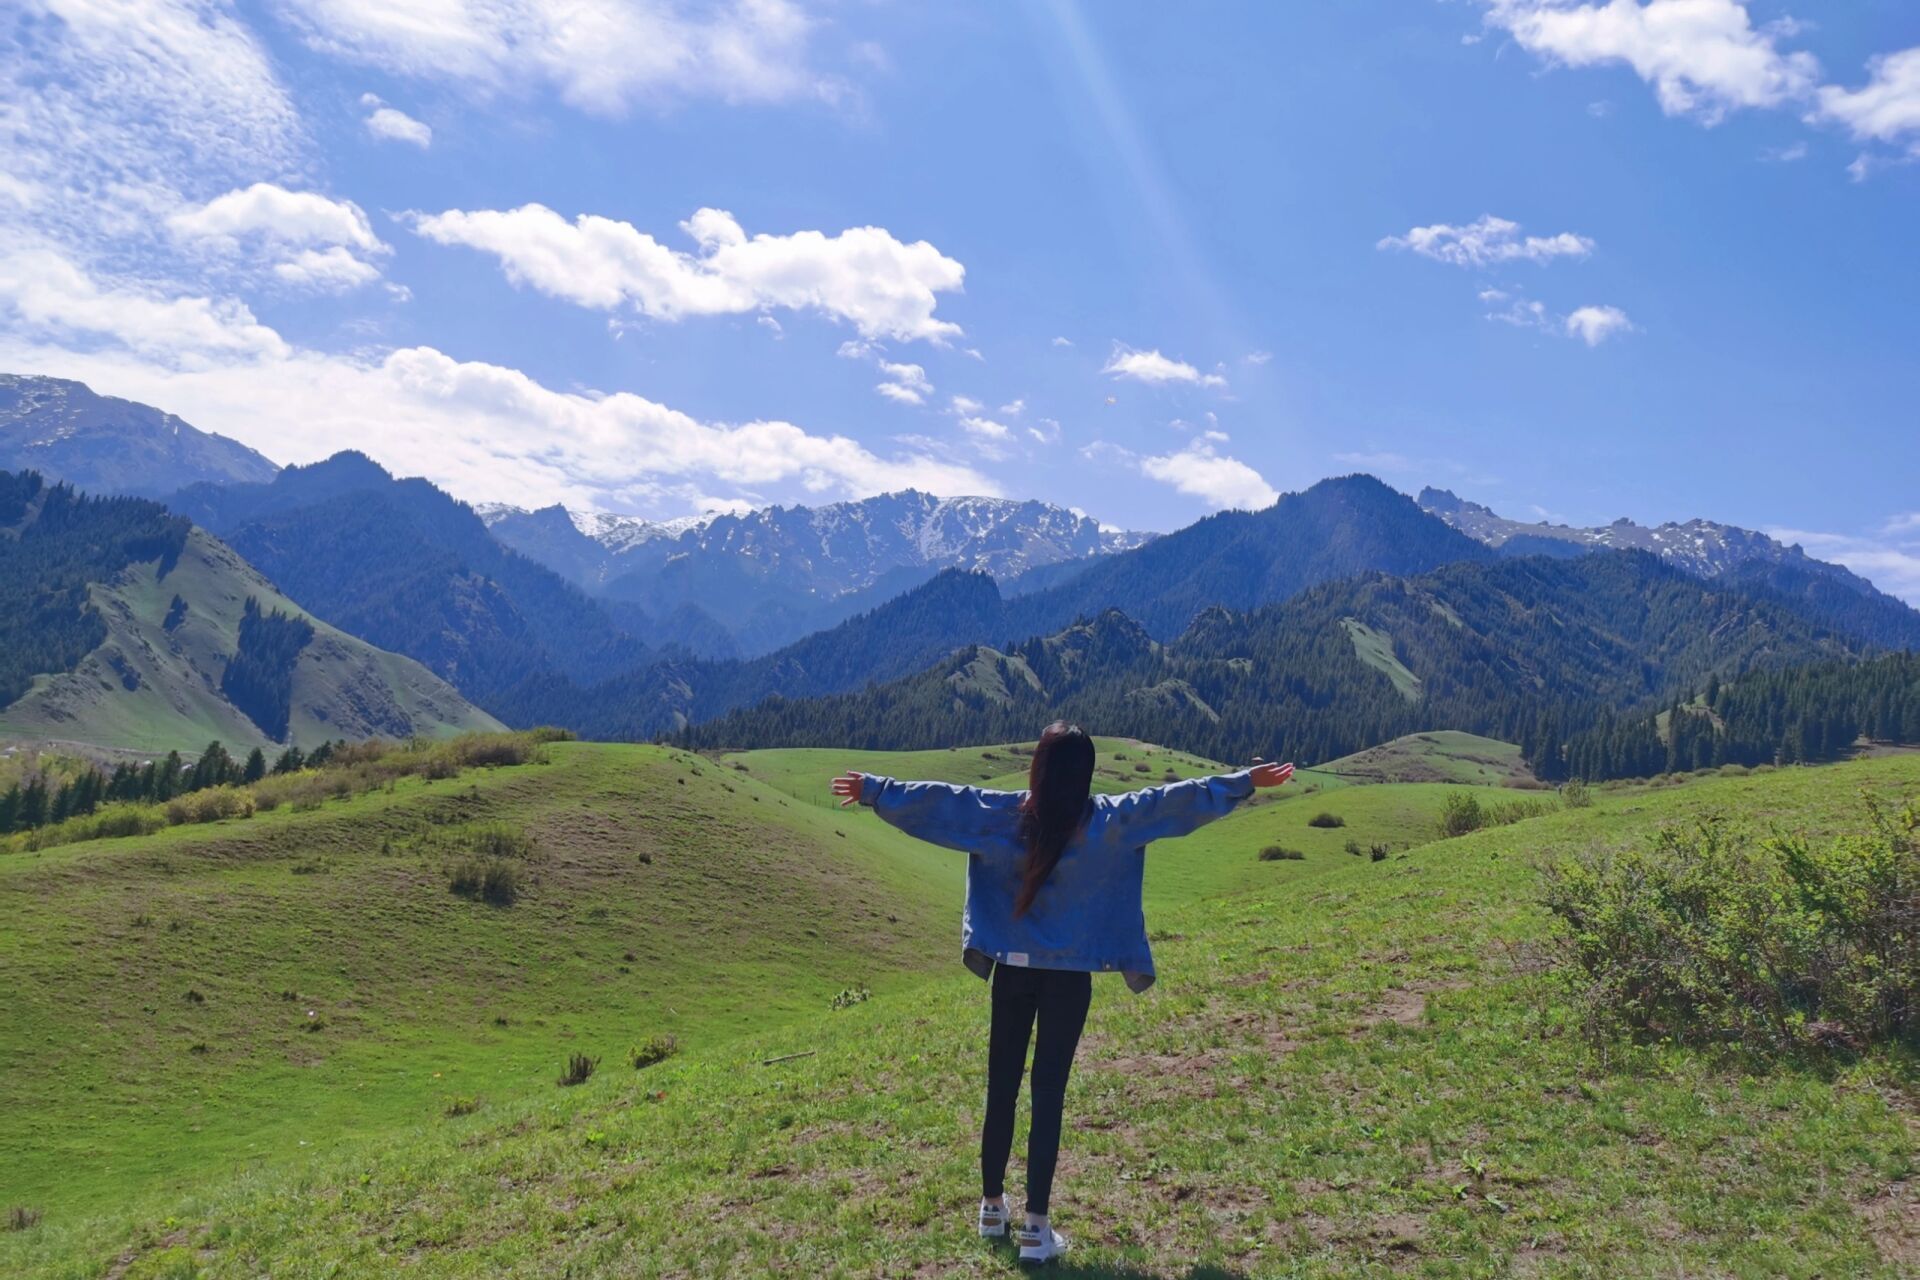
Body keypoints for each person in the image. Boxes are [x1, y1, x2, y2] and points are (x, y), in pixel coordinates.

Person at [831, 722, 1294, 1264]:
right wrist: (1244, 780)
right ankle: (1036, 1229)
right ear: (1087, 773)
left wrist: (875, 790)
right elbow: (1176, 801)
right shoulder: (1110, 820)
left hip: (1013, 971)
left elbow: (941, 804)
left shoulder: (1001, 814)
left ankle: (990, 1208)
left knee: (1000, 1086)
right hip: (1069, 977)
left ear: (1038, 767)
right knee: (1047, 1094)